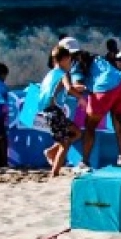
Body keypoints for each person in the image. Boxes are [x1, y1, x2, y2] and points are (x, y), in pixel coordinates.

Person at [61, 37, 121, 169]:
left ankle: (85, 162)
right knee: (120, 127)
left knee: (90, 126)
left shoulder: (75, 63)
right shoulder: (94, 57)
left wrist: (67, 89)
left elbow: (79, 86)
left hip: (103, 89)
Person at [39, 46, 82, 180]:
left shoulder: (50, 74)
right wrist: (81, 98)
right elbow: (68, 88)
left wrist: (77, 88)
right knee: (65, 143)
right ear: (65, 59)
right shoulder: (63, 73)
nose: (70, 63)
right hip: (54, 112)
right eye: (70, 60)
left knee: (76, 132)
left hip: (47, 111)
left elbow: (58, 88)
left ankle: (51, 151)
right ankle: (54, 172)